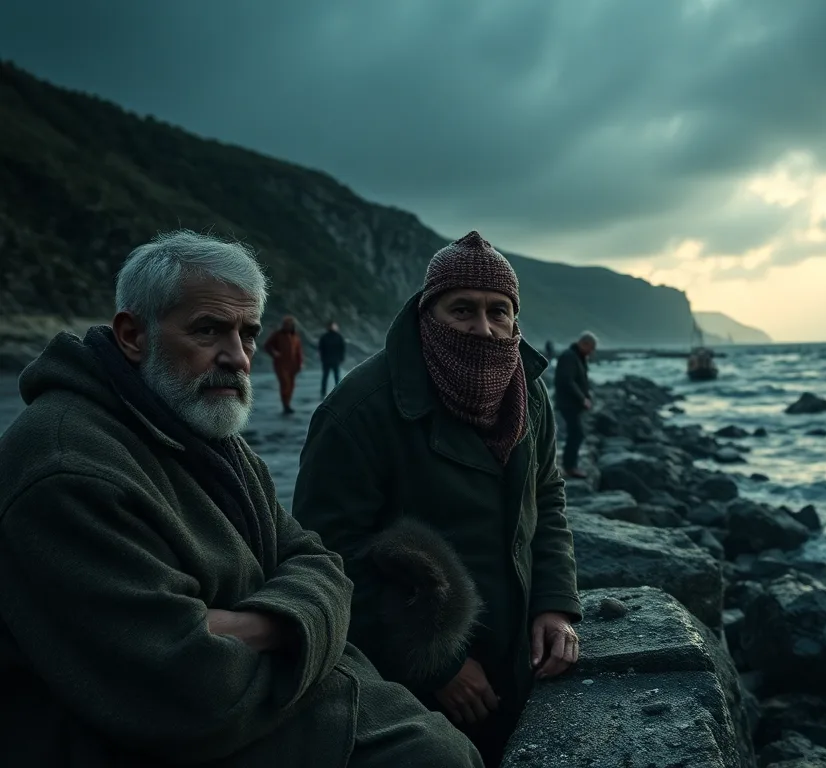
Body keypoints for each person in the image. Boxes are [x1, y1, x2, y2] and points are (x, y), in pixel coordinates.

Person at [0, 230, 483, 768]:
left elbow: (320, 561)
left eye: (249, 333)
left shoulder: (195, 429)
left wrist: (268, 625)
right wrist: (306, 627)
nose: (237, 357)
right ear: (133, 335)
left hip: (282, 693)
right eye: (208, 330)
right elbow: (187, 691)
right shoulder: (68, 469)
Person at [292, 231, 582, 767]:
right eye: (463, 309)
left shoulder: (528, 390)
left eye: (500, 311)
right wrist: (438, 663)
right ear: (429, 313)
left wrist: (555, 604)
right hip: (404, 675)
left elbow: (547, 497)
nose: (484, 327)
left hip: (519, 653)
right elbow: (325, 558)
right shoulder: (360, 411)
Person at [553, 332, 597, 478]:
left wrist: (586, 396)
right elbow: (568, 381)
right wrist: (582, 398)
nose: (592, 352)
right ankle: (570, 467)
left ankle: (570, 465)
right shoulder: (569, 357)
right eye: (591, 348)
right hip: (568, 404)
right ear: (584, 344)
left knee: (575, 434)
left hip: (571, 403)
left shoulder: (577, 357)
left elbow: (579, 380)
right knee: (577, 434)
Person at [263, 315, 304, 415]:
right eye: (286, 324)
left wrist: (300, 363)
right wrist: (274, 353)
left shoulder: (295, 336)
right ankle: (286, 405)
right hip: (281, 364)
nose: (288, 326)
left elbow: (299, 352)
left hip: (293, 365)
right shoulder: (277, 335)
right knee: (285, 384)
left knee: (291, 385)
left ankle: (288, 404)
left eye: (290, 324)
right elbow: (267, 346)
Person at [318, 320, 346, 398]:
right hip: (326, 360)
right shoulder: (324, 337)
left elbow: (342, 348)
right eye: (330, 326)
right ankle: (323, 392)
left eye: (333, 326)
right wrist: (322, 358)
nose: (332, 327)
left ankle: (338, 391)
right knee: (325, 377)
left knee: (336, 377)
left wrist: (341, 358)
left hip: (335, 360)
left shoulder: (338, 337)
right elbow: (321, 348)